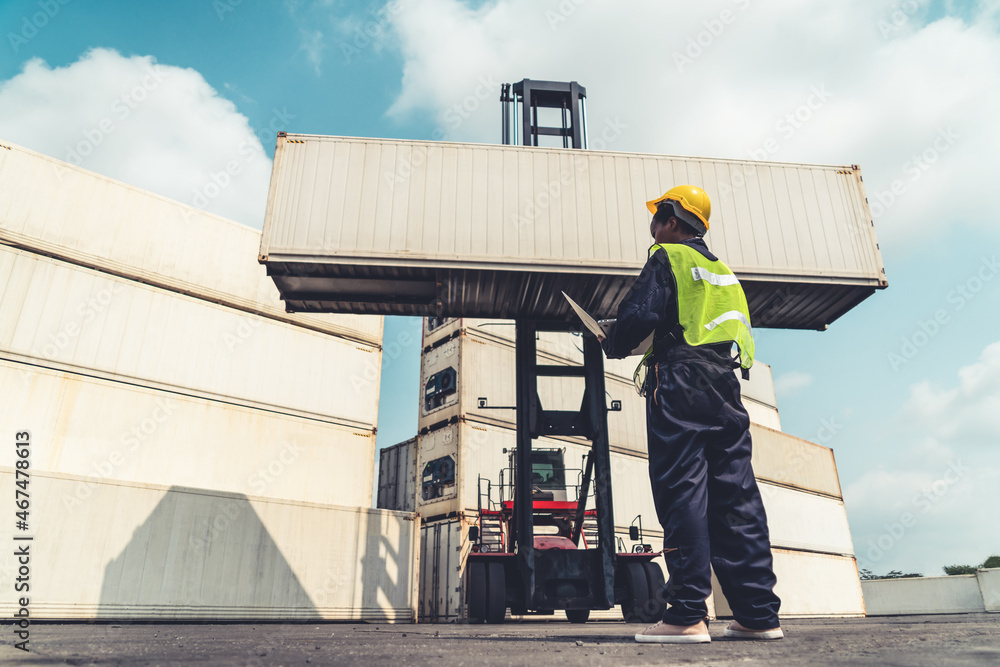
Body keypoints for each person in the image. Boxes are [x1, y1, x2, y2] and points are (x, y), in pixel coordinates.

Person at [600, 185, 782, 644]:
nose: (653, 226)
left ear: (673, 221)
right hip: (725, 385)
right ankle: (758, 615)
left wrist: (613, 340)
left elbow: (640, 316)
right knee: (736, 495)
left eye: (657, 217)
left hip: (680, 381)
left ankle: (686, 616)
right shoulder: (724, 272)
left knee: (683, 491)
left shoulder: (668, 257)